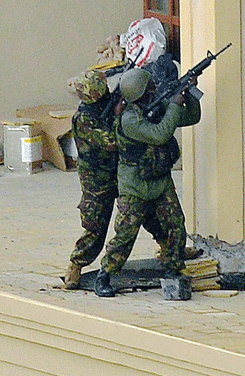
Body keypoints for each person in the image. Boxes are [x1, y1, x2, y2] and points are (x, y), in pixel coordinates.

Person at [95, 68, 201, 297]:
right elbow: (159, 134)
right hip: (134, 186)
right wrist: (174, 104)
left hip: (160, 180)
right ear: (141, 93)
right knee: (125, 234)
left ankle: (173, 269)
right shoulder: (129, 119)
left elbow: (192, 117)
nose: (154, 87)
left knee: (175, 226)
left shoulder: (156, 107)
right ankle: (105, 274)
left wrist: (189, 92)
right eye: (150, 86)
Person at [63, 69, 173, 289]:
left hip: (119, 172)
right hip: (97, 179)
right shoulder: (84, 118)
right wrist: (118, 113)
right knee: (96, 225)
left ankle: (168, 249)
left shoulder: (106, 102)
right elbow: (112, 140)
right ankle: (76, 265)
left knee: (145, 211)